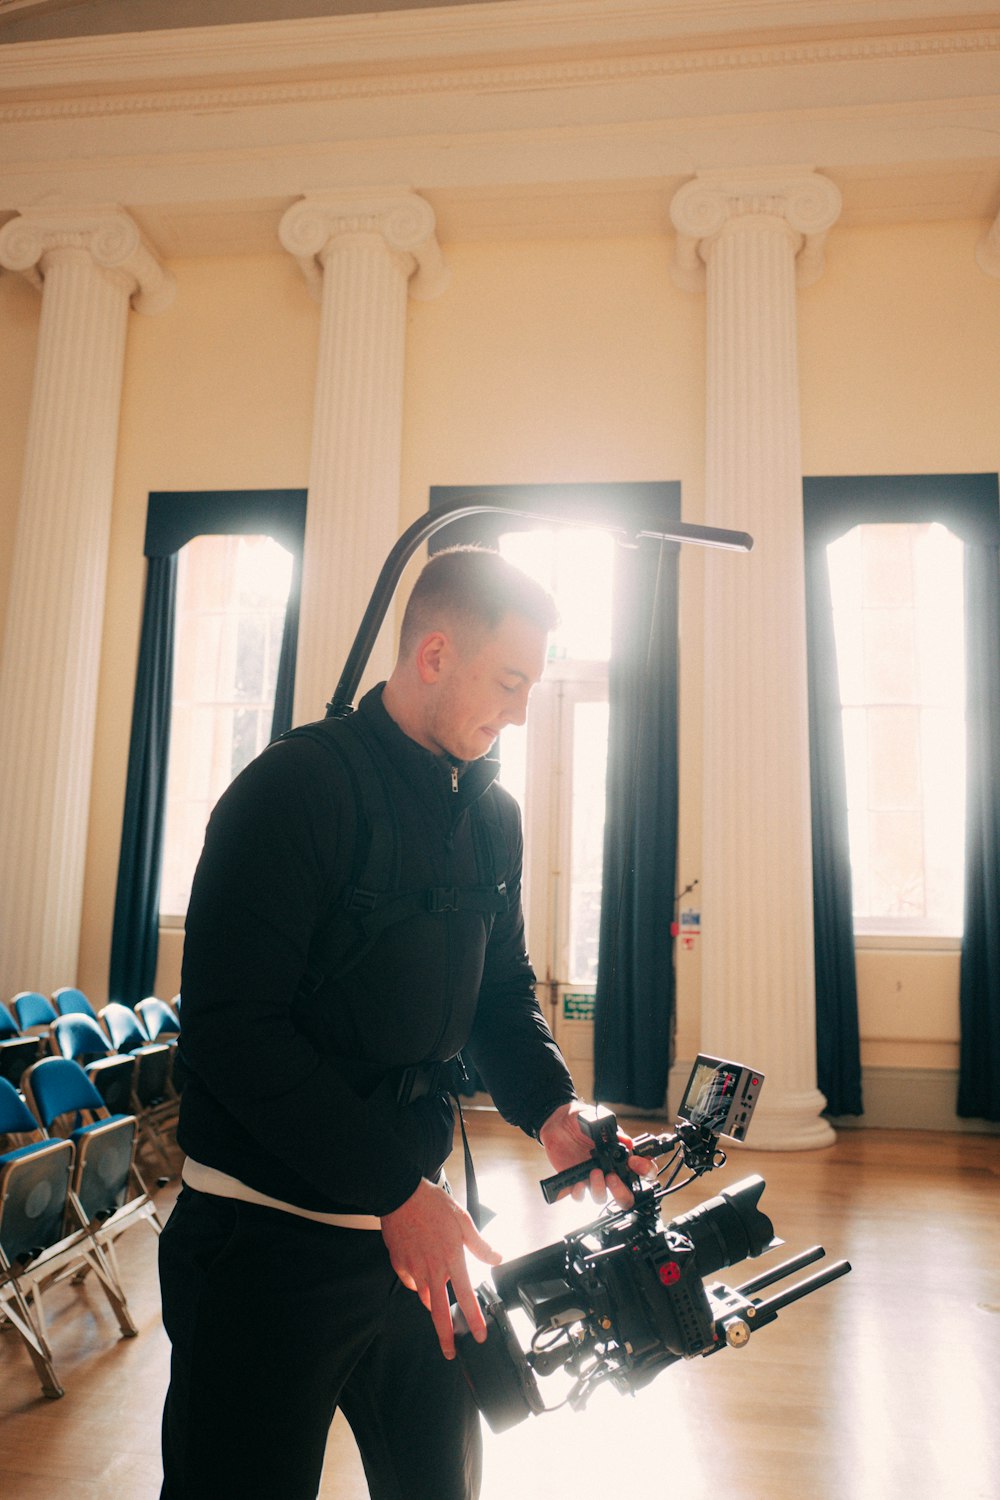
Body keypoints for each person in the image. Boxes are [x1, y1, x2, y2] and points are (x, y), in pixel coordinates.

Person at [158, 545, 645, 1500]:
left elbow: (499, 990)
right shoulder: (291, 792)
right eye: (508, 681)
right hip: (265, 1247)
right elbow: (231, 1033)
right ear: (432, 654)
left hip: (418, 1244)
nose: (517, 710)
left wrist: (553, 1109)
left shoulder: (493, 815)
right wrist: (394, 1189)